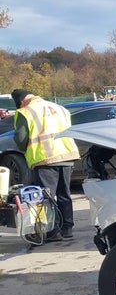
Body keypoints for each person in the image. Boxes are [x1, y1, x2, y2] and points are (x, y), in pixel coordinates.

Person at [11, 89, 80, 241]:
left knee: (46, 197)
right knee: (64, 194)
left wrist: (23, 147)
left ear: (21, 102)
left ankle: (52, 231)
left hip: (45, 158)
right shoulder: (59, 108)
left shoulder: (25, 111)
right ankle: (67, 228)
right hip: (67, 154)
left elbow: (21, 139)